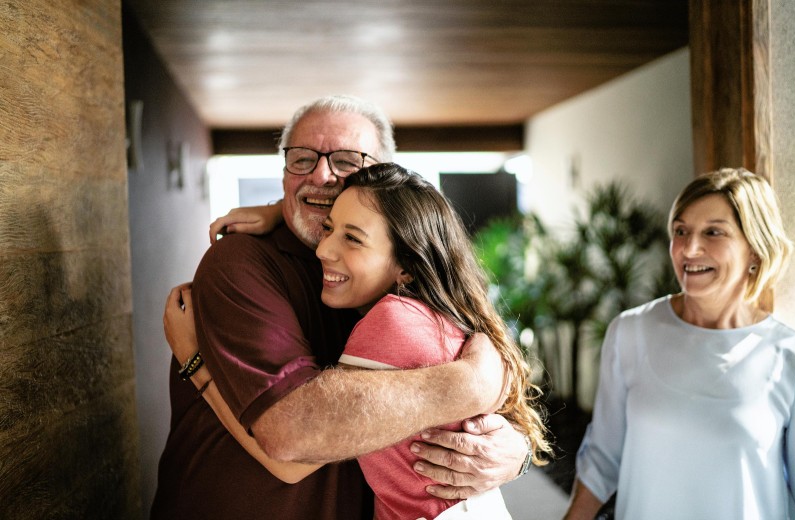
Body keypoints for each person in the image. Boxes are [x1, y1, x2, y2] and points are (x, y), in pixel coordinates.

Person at [151, 95, 532, 519]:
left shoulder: (402, 301)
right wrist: (469, 384)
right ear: (283, 172)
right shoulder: (240, 263)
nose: (322, 174)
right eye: (301, 159)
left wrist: (515, 451)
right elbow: (290, 437)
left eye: (348, 160)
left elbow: (503, 411)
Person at [563, 167, 795, 520]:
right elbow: (601, 462)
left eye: (713, 232)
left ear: (754, 249)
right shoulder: (631, 332)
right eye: (681, 231)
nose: (690, 248)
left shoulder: (788, 355)